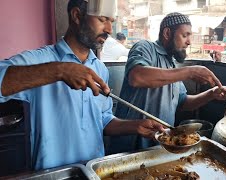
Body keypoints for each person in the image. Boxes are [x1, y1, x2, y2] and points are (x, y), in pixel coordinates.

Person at [0, 0, 164, 170]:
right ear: (77, 16)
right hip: (53, 174)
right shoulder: (39, 60)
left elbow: (102, 120)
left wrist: (135, 126)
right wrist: (60, 71)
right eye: (102, 19)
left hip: (93, 170)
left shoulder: (100, 69)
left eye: (111, 22)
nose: (109, 29)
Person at [108, 12, 226, 154]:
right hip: (130, 146)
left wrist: (211, 94)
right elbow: (137, 77)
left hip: (160, 146)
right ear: (167, 33)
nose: (189, 42)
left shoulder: (171, 65)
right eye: (185, 35)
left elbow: (183, 102)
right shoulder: (145, 48)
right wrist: (190, 71)